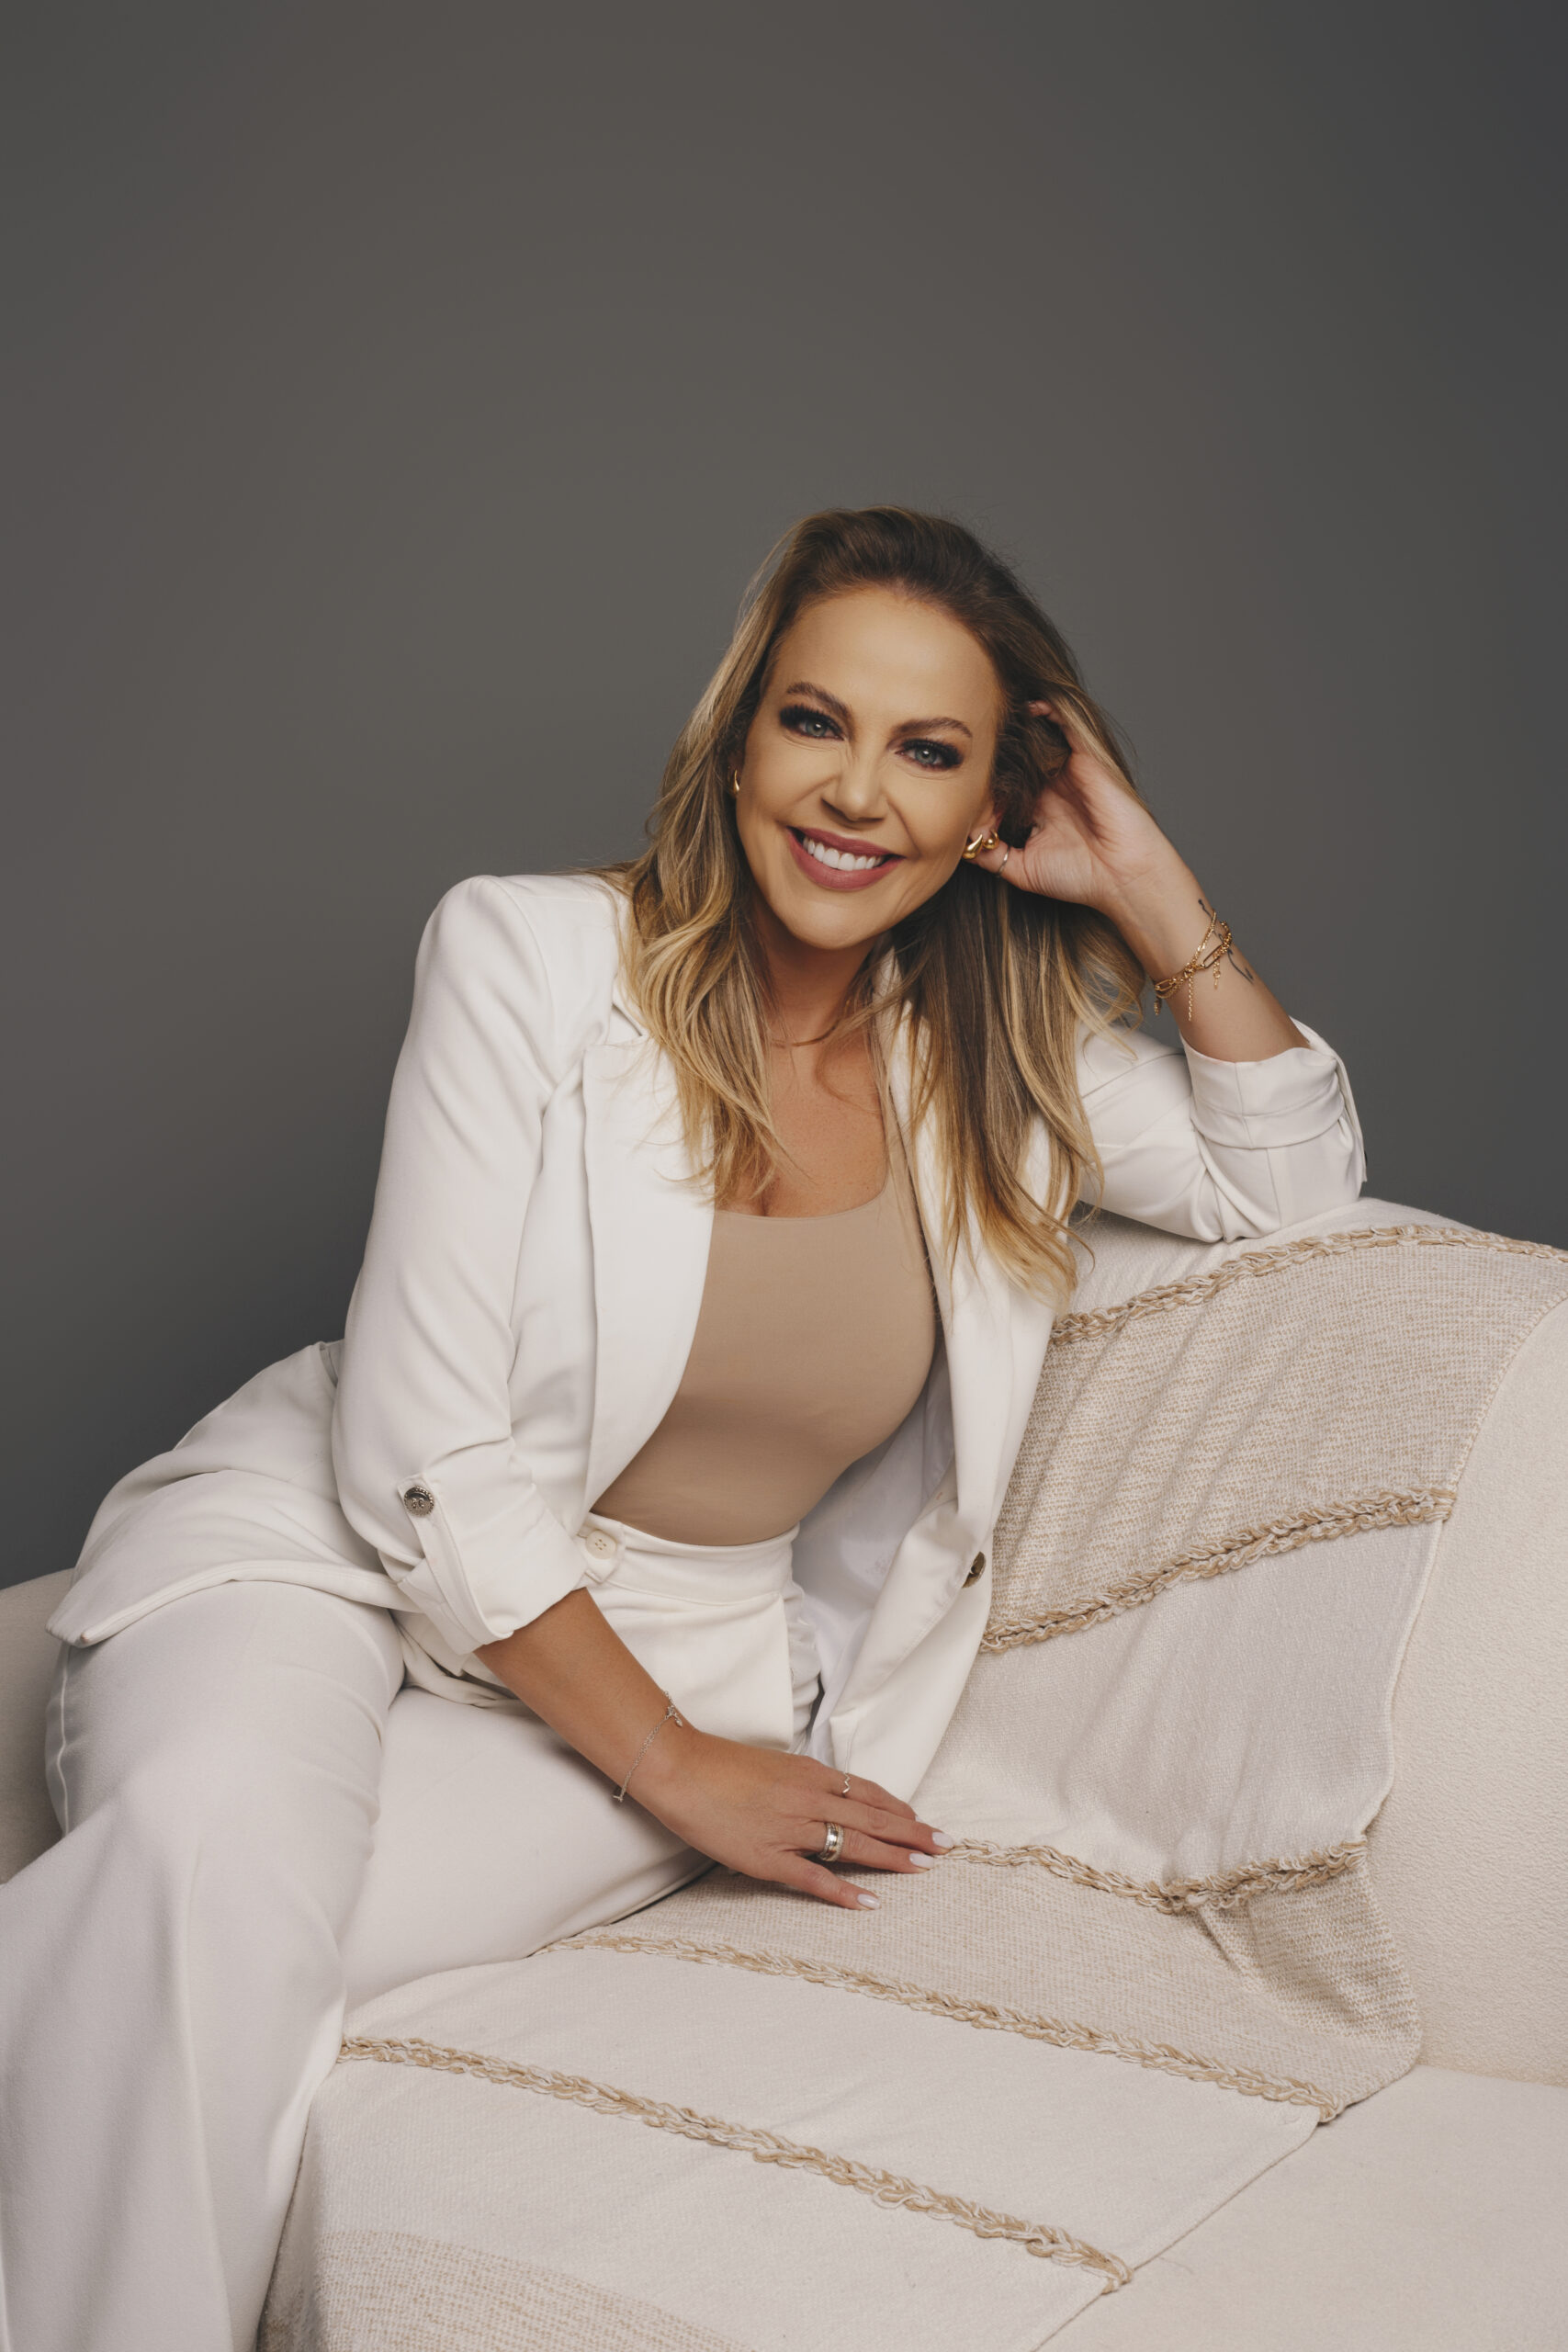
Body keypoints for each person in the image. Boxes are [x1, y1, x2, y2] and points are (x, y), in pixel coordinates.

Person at [0, 507, 1365, 2351]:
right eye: (816, 721)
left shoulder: (998, 1068)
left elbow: (1286, 1180)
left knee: (203, 1963)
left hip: (678, 1646)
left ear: (992, 807)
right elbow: (419, 1450)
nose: (856, 792)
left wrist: (1147, 883)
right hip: (320, 1553)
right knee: (199, 1855)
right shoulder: (529, 956)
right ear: (738, 742)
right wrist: (670, 1767)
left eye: (928, 751)